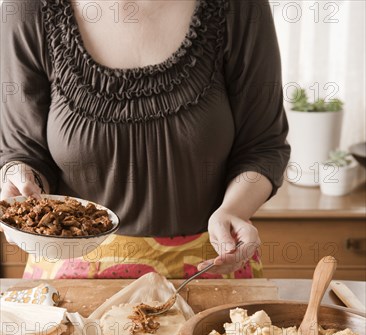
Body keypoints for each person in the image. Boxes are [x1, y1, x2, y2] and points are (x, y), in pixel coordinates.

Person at [0, 0, 290, 279]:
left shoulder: (241, 7)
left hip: (211, 267)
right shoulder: (28, 8)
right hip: (71, 278)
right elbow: (24, 150)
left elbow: (262, 145)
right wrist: (20, 176)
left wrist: (233, 210)